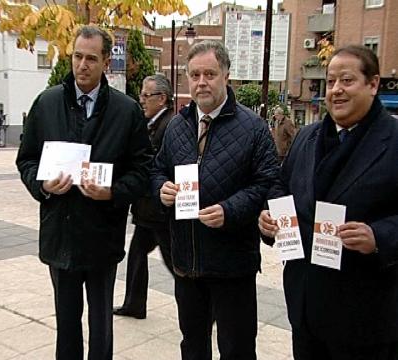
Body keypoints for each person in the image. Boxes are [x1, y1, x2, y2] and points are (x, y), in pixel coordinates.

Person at [16, 25, 151, 360]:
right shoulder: (46, 104)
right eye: (77, 56)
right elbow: (27, 159)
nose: (83, 65)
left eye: (91, 58)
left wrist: (112, 193)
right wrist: (42, 186)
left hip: (102, 237)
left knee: (101, 322)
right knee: (66, 323)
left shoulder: (126, 110)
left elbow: (143, 171)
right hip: (59, 234)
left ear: (106, 61)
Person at [258, 45, 398, 360]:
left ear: (373, 84)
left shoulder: (393, 140)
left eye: (346, 81)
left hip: (365, 316)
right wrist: (269, 218)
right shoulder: (307, 137)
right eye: (331, 81)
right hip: (306, 305)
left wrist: (379, 237)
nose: (336, 90)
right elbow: (281, 185)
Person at [151, 40, 278, 359]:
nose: (201, 82)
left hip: (232, 264)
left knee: (236, 349)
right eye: (194, 75)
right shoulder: (177, 126)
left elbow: (268, 183)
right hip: (187, 263)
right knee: (192, 346)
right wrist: (162, 189)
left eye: (210, 73)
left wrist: (230, 210)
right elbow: (157, 170)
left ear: (226, 76)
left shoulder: (254, 127)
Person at [113, 74, 174, 320]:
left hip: (160, 210)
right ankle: (134, 304)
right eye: (141, 96)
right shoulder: (152, 123)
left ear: (162, 99)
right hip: (148, 209)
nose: (142, 101)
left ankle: (205, 306)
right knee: (137, 253)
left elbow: (159, 166)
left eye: (146, 96)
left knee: (174, 261)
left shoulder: (169, 125)